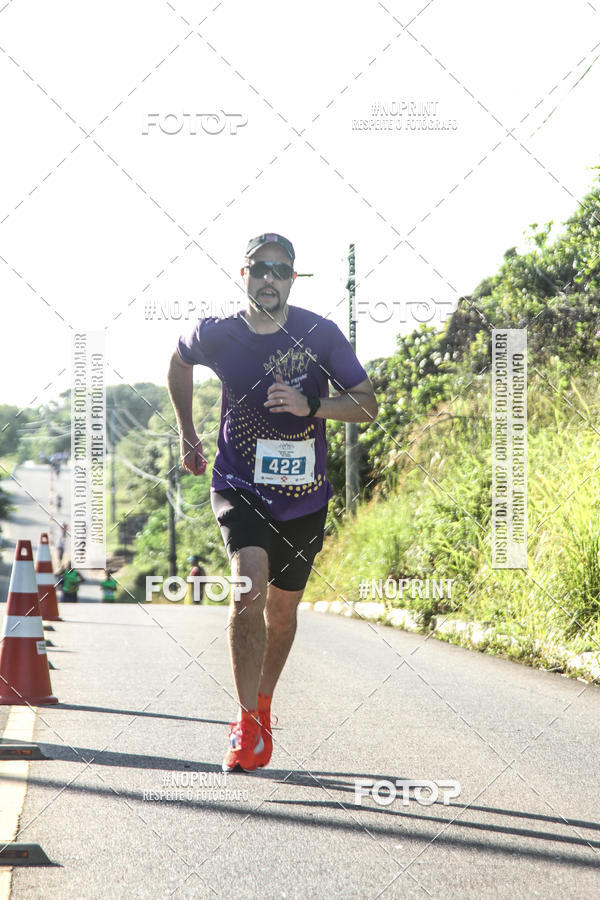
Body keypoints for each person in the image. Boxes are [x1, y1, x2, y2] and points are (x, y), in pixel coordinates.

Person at [168, 232, 378, 772]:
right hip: (238, 484)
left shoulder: (319, 333)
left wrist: (313, 404)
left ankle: (262, 706)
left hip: (303, 498)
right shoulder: (217, 333)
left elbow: (367, 404)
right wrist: (188, 434)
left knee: (282, 614)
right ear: (244, 274)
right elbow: (177, 361)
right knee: (248, 589)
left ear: (291, 278)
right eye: (259, 267)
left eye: (279, 269)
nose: (268, 277)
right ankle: (244, 720)